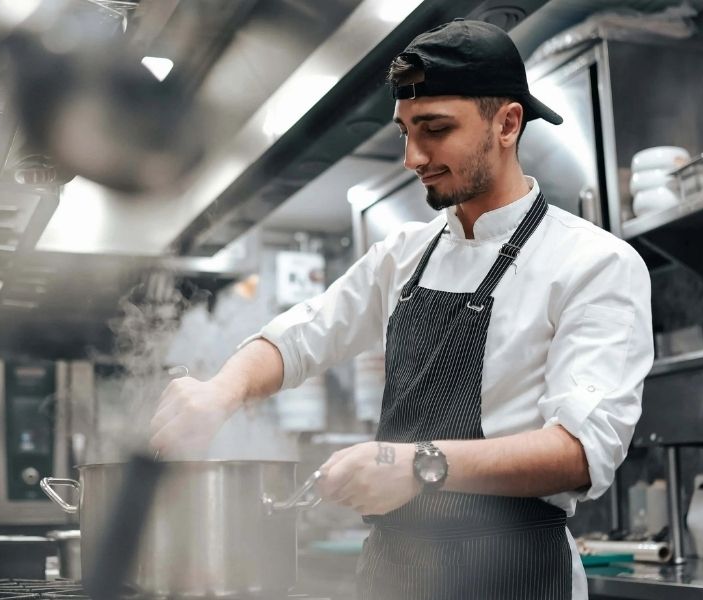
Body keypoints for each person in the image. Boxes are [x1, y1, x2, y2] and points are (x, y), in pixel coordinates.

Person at [150, 18, 654, 600]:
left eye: (435, 129)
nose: (414, 156)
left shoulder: (594, 263)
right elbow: (303, 335)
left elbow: (578, 453)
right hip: (393, 573)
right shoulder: (404, 257)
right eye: (405, 131)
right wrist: (222, 391)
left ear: (508, 122)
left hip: (516, 575)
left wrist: (418, 466)